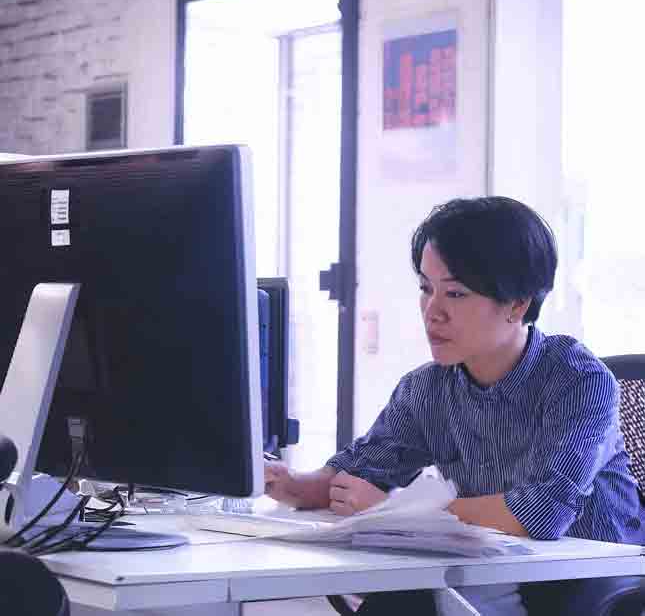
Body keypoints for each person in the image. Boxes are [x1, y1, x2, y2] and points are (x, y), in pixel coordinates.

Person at [265, 196, 645, 615]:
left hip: (590, 581)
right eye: (426, 289)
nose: (433, 311)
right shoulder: (427, 388)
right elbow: (358, 474)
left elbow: (541, 513)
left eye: (456, 293)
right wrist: (289, 483)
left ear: (517, 303)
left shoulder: (578, 379)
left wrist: (394, 513)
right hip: (489, 571)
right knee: (395, 604)